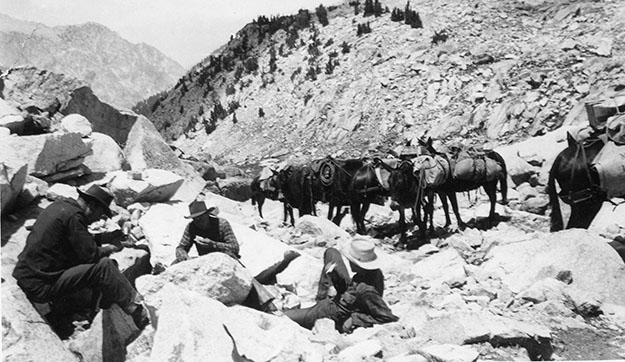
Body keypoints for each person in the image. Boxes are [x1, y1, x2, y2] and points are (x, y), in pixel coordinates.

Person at [12, 184, 150, 335]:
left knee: (103, 266)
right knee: (105, 266)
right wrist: (112, 247)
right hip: (41, 285)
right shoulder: (74, 217)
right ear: (92, 206)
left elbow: (76, 240)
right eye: (101, 214)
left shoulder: (61, 207)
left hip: (28, 276)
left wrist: (104, 237)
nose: (99, 218)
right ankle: (136, 310)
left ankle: (100, 307)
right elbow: (90, 255)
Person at [174, 200, 300, 310]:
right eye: (195, 219)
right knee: (175, 264)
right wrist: (184, 256)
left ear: (207, 214)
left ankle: (265, 303)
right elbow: (181, 247)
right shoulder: (191, 227)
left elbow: (234, 248)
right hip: (205, 262)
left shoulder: (221, 224)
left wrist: (213, 244)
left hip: (227, 259)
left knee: (246, 278)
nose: (198, 222)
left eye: (200, 218)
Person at [283, 238, 398, 333]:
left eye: (350, 260)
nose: (348, 261)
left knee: (283, 317)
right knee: (331, 253)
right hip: (345, 297)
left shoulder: (366, 290)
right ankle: (321, 298)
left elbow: (387, 317)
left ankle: (317, 306)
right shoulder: (374, 272)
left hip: (331, 313)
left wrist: (354, 319)